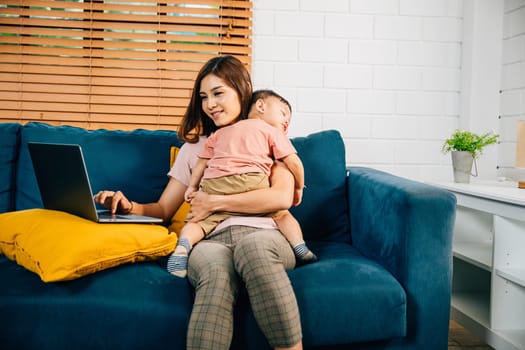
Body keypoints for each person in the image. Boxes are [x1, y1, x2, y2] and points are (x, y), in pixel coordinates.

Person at [93, 55, 303, 350]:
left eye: (219, 93)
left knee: (252, 248)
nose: (210, 104)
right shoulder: (194, 150)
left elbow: (281, 197)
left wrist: (214, 202)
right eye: (204, 97)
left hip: (264, 236)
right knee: (215, 272)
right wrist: (130, 206)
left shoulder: (266, 135)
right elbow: (163, 210)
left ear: (242, 90)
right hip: (209, 241)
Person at [167, 89, 317, 278]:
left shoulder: (221, 132)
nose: (286, 122)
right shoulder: (271, 131)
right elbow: (294, 163)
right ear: (261, 105)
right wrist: (298, 187)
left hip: (215, 183)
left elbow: (202, 161)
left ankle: (182, 249)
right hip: (250, 181)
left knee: (197, 222)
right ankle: (299, 246)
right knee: (282, 215)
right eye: (283, 113)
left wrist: (192, 186)